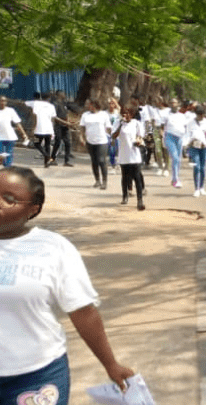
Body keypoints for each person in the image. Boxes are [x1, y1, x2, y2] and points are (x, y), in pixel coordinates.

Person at [0, 166, 134, 404]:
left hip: (35, 375)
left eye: (9, 199)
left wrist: (111, 364)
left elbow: (83, 312)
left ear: (33, 209)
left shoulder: (54, 248)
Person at [111, 106, 145, 211]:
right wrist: (121, 125)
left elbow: (141, 136)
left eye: (128, 113)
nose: (125, 115)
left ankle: (140, 201)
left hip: (134, 154)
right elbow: (114, 136)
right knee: (125, 177)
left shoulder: (136, 123)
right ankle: (124, 196)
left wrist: (139, 141)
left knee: (137, 177)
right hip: (124, 154)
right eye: (123, 113)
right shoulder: (118, 123)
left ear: (132, 114)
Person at [79, 99, 112, 190]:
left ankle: (104, 181)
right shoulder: (85, 115)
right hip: (90, 141)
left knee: (101, 160)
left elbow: (108, 128)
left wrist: (112, 138)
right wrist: (81, 138)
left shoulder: (103, 114)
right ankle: (97, 180)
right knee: (94, 161)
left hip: (102, 141)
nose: (88, 106)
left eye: (90, 105)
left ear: (96, 105)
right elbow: (82, 128)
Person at [186, 106, 206, 197]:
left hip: (204, 147)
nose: (200, 116)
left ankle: (202, 187)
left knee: (202, 168)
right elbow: (187, 135)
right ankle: (196, 188)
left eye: (201, 115)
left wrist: (205, 144)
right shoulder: (190, 123)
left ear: (204, 114)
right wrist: (190, 142)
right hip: (193, 147)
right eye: (198, 114)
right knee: (196, 167)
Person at [25, 93, 57, 167]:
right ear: (49, 98)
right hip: (49, 130)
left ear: (41, 98)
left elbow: (24, 103)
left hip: (38, 130)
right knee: (47, 145)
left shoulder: (36, 103)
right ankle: (47, 163)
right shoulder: (51, 106)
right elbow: (53, 118)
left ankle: (46, 156)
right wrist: (52, 130)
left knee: (36, 143)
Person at [162, 98, 188, 188]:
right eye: (171, 103)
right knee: (175, 157)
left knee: (178, 159)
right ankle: (176, 180)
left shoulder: (182, 116)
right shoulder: (166, 115)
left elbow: (185, 128)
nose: (173, 104)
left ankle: (174, 178)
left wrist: (186, 140)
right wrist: (162, 136)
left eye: (174, 103)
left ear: (178, 104)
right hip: (170, 137)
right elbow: (161, 126)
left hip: (180, 138)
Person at [0, 96, 29, 167]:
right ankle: (4, 162)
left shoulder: (10, 110)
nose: (3, 102)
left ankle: (7, 168)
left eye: (4, 101)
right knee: (1, 153)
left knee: (9, 152)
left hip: (9, 136)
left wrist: (24, 134)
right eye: (1, 101)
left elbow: (17, 123)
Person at [48, 91, 75, 167]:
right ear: (59, 95)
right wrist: (65, 122)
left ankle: (67, 161)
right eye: (63, 94)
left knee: (68, 143)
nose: (65, 95)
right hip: (58, 125)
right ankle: (52, 159)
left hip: (65, 126)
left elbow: (67, 113)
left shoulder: (64, 103)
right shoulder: (55, 104)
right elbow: (55, 117)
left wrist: (68, 122)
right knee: (57, 142)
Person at [106, 98, 121, 176]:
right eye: (110, 103)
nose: (111, 105)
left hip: (117, 134)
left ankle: (117, 163)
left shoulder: (117, 113)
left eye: (113, 104)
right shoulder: (105, 113)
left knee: (117, 150)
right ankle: (113, 167)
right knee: (111, 150)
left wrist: (115, 101)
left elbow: (120, 109)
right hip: (109, 134)